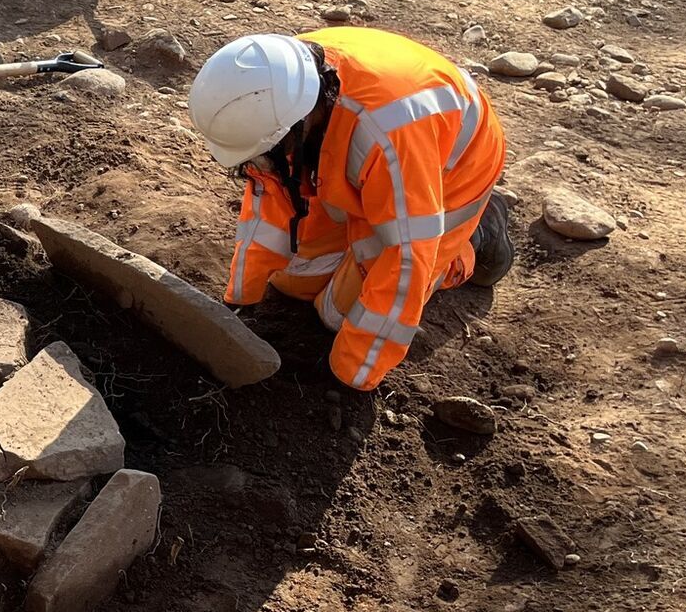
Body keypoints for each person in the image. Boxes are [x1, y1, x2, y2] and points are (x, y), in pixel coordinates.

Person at [187, 28, 512, 391]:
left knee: (337, 315)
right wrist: (239, 302)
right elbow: (271, 201)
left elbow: (407, 258)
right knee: (292, 279)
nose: (259, 164)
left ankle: (474, 238)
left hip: (451, 168)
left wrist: (352, 374)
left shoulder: (388, 137)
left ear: (294, 128)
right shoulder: (280, 87)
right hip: (366, 151)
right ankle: (368, 211)